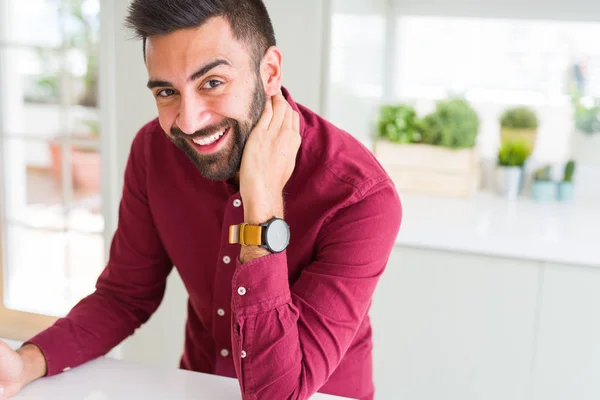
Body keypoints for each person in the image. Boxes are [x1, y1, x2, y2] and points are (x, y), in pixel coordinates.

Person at [0, 1, 402, 399]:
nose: (188, 121)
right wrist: (25, 364)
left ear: (270, 72)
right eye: (167, 91)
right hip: (199, 386)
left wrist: (261, 205)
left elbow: (279, 394)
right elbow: (124, 296)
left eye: (212, 83)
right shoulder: (153, 151)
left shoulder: (360, 197)